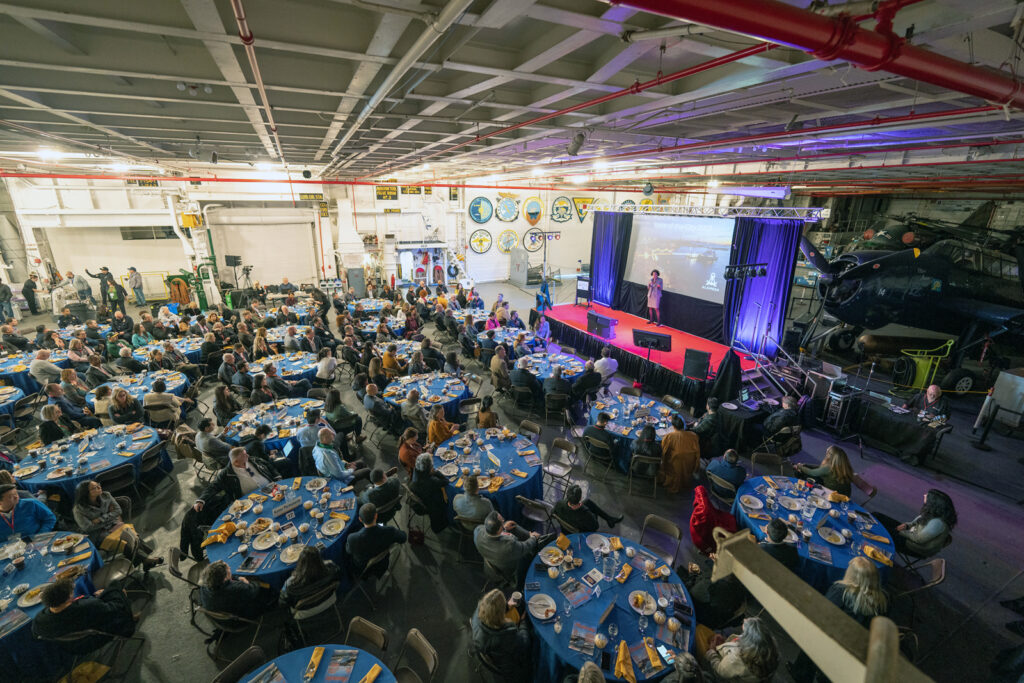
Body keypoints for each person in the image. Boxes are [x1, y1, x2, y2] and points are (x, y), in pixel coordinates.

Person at [789, 558, 888, 682]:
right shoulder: (882, 602)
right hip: (858, 651)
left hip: (832, 642)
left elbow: (822, 614)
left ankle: (800, 674)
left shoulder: (841, 591)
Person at [73, 480, 163, 570]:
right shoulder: (78, 509)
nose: (99, 488)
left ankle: (144, 561)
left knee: (132, 535)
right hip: (98, 534)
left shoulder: (106, 495)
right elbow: (87, 527)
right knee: (124, 543)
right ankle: (146, 560)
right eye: (94, 488)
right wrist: (109, 515)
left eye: (98, 485)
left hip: (114, 525)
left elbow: (118, 511)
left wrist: (99, 519)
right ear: (86, 493)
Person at [32, 577, 135, 654]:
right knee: (116, 585)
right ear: (68, 597)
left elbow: (36, 634)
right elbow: (116, 608)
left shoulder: (39, 620)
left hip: (72, 648)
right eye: (72, 592)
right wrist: (112, 593)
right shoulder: (87, 606)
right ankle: (132, 616)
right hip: (98, 636)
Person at [470, 589, 533, 683]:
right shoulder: (507, 635)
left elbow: (490, 612)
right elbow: (525, 641)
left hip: (490, 653)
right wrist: (523, 622)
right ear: (500, 614)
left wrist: (507, 606)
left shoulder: (477, 615)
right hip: (510, 668)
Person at [194, 448, 281, 513]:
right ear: (236, 462)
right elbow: (213, 486)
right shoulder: (226, 474)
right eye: (244, 455)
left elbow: (269, 466)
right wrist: (201, 500)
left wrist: (277, 477)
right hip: (253, 502)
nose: (248, 456)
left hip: (272, 491)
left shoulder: (253, 460)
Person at [874, 489, 957, 556]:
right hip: (911, 534)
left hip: (915, 547)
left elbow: (919, 539)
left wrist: (901, 532)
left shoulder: (938, 523)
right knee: (877, 516)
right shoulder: (932, 512)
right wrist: (906, 525)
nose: (924, 495)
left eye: (927, 496)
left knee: (881, 531)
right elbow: (914, 523)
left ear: (933, 503)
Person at [699, 617, 779, 682]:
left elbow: (720, 671)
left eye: (744, 632)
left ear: (748, 640)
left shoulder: (736, 659)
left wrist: (711, 651)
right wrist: (725, 641)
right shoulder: (767, 649)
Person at [473, 511, 541, 585]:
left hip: (489, 564)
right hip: (506, 570)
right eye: (502, 522)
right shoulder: (509, 545)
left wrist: (504, 528)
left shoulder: (478, 530)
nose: (504, 521)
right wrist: (533, 538)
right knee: (528, 555)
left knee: (514, 528)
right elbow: (524, 547)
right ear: (499, 529)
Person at [345, 502, 407, 578]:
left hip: (362, 569)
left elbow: (348, 551)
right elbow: (403, 538)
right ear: (376, 516)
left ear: (360, 519)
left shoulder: (352, 538)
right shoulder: (389, 531)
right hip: (382, 564)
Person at [199, 560, 273, 620]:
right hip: (240, 617)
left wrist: (237, 579)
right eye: (228, 570)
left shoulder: (205, 585)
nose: (230, 568)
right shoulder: (236, 588)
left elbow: (228, 581)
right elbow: (255, 589)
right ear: (224, 579)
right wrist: (246, 583)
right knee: (267, 584)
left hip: (220, 618)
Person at [279, 545, 341, 612]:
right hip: (328, 600)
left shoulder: (289, 583)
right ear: (320, 558)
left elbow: (283, 603)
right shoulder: (331, 567)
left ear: (300, 563)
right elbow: (338, 577)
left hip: (304, 611)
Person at [551, 483, 622, 533]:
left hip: (565, 529)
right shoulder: (585, 513)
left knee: (587, 502)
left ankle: (609, 519)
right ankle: (609, 520)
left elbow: (553, 513)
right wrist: (593, 515)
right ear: (580, 498)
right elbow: (595, 527)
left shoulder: (559, 503)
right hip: (580, 531)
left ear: (567, 496)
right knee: (592, 509)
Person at [658, 415, 700, 493]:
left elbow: (664, 451)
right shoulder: (693, 435)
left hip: (675, 461)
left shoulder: (669, 436)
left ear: (673, 427)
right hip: (690, 462)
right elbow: (697, 450)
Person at [409, 453, 449, 533]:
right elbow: (445, 481)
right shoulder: (431, 481)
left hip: (418, 495)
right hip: (429, 504)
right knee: (446, 498)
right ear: (429, 468)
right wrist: (436, 472)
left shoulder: (416, 471)